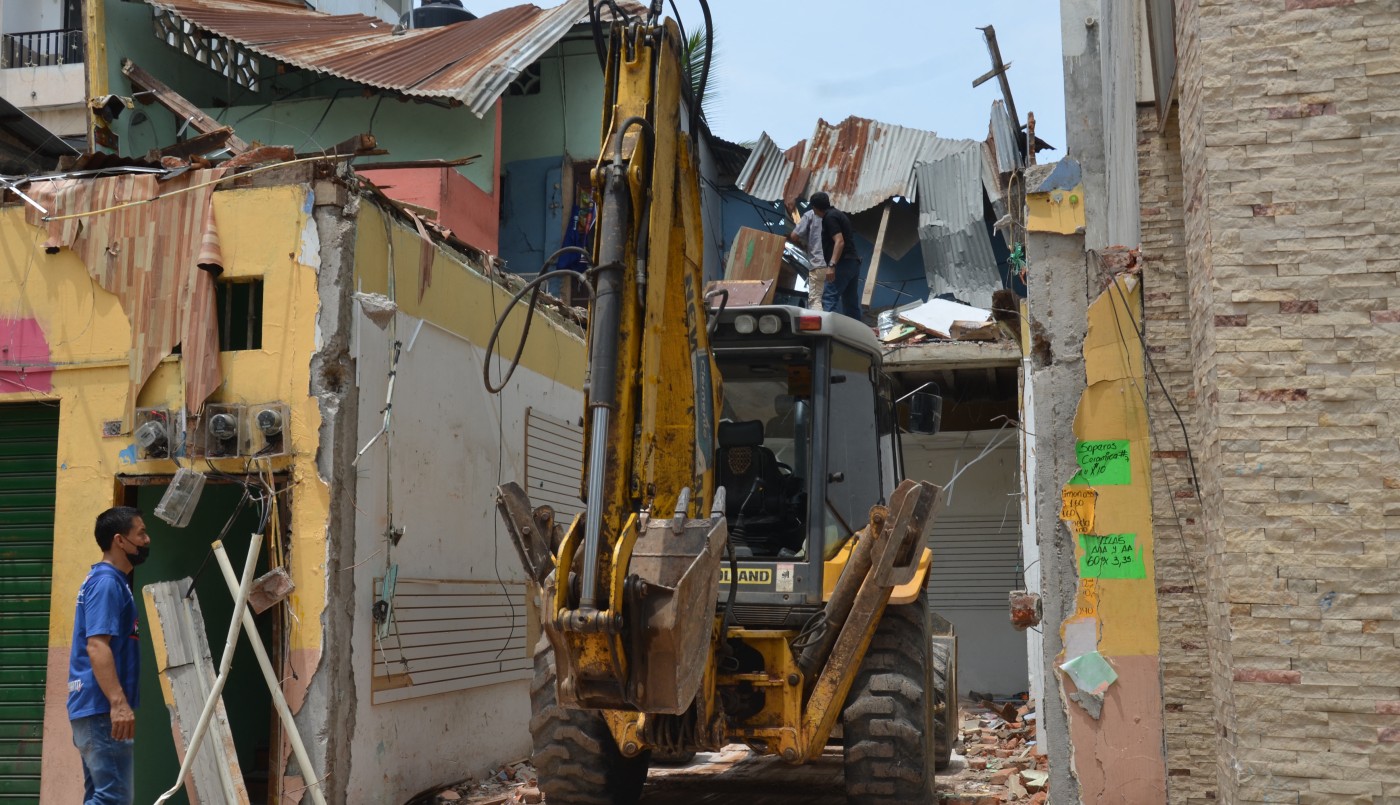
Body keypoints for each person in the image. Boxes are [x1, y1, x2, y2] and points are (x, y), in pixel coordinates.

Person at [68, 506, 150, 805]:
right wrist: (118, 703)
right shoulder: (107, 583)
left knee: (101, 796)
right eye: (140, 533)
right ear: (120, 540)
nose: (146, 540)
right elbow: (97, 646)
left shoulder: (108, 581)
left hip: (92, 708)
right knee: (113, 798)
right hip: (102, 709)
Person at [810, 192, 863, 320]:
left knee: (829, 297)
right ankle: (855, 335)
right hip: (852, 263)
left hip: (842, 263)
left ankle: (827, 335)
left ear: (815, 208)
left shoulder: (829, 217)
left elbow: (839, 241)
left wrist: (831, 265)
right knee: (850, 303)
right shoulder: (838, 214)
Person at [787, 206, 827, 309]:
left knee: (815, 300)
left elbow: (794, 236)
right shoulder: (831, 217)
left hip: (818, 264)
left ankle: (821, 323)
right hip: (829, 263)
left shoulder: (810, 215)